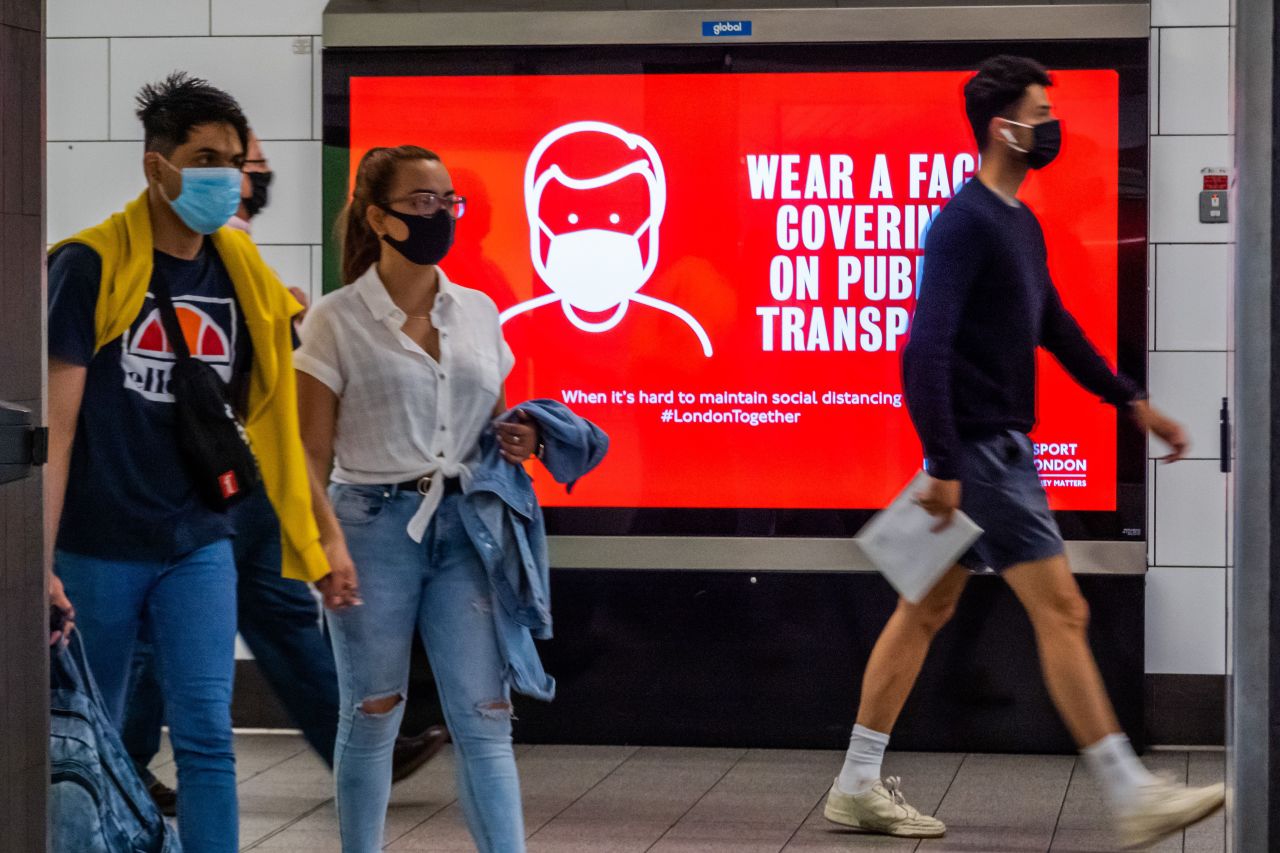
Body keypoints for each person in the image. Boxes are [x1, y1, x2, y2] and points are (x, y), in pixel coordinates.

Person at [821, 56, 1225, 850]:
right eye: (1039, 112)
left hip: (987, 449)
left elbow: (1054, 326)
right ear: (1003, 126)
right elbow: (924, 347)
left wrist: (1128, 400)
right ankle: (1130, 791)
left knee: (925, 607)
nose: (1050, 127)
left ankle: (856, 784)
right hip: (980, 455)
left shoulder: (1016, 221)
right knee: (1064, 610)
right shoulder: (964, 221)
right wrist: (942, 461)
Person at [120, 128, 449, 816]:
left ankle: (357, 745)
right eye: (238, 166)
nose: (250, 178)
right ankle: (121, 760)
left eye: (250, 166)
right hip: (193, 479)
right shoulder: (165, 250)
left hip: (244, 471)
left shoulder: (235, 252)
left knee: (281, 609)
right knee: (163, 633)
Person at [44, 73, 331, 853]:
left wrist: (322, 534)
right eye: (205, 158)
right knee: (87, 743)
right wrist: (39, 561)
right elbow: (57, 428)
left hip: (199, 541)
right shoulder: (88, 266)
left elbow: (269, 408)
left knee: (208, 740)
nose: (226, 177)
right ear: (156, 167)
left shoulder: (242, 274)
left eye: (235, 160)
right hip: (99, 545)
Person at [294, 145, 539, 852]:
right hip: (369, 525)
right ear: (379, 217)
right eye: (423, 201)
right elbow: (311, 450)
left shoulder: (480, 310)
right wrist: (326, 544)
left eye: (448, 200)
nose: (442, 213)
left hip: (466, 526)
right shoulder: (336, 320)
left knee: (486, 714)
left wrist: (517, 435)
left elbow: (488, 422)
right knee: (372, 713)